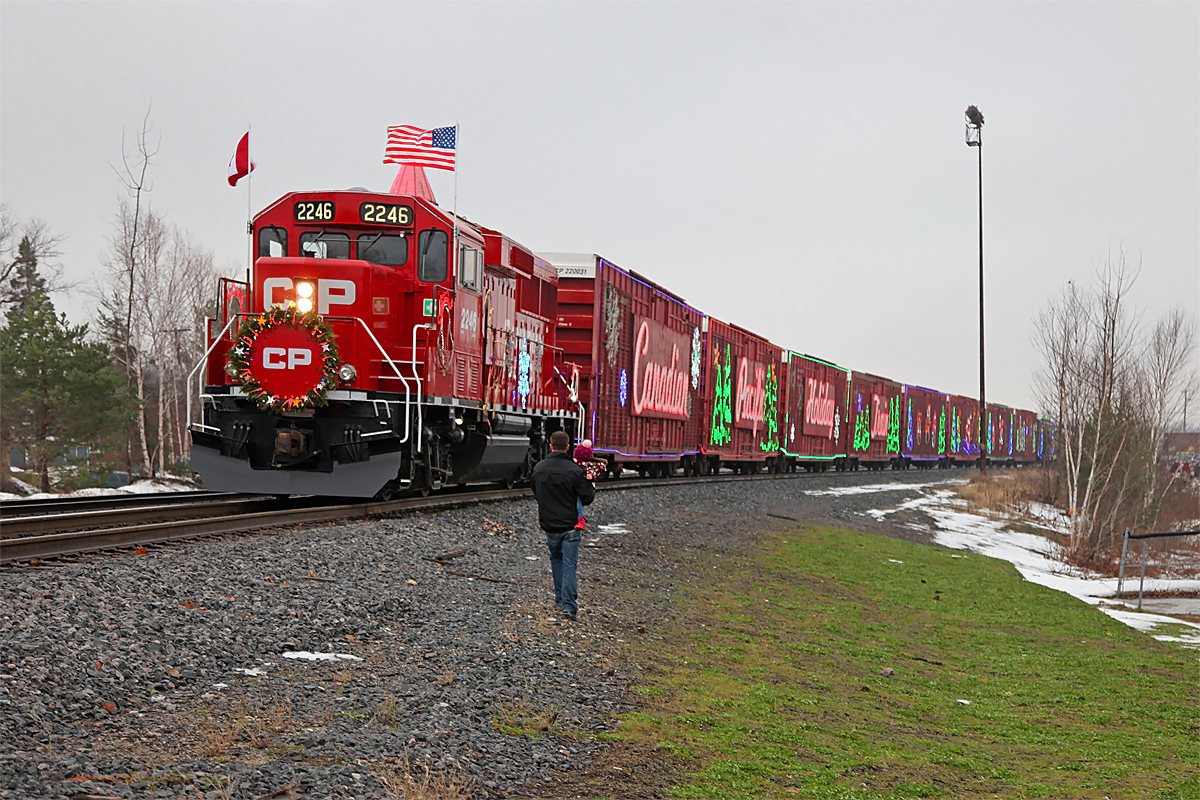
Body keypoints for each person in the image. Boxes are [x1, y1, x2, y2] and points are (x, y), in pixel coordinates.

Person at [531, 430, 595, 621]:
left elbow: (536, 492)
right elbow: (587, 498)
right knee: (569, 564)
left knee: (556, 560)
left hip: (550, 524)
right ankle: (569, 606)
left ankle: (559, 598)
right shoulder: (575, 471)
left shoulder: (538, 468)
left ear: (550, 446)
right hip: (571, 526)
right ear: (568, 447)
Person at [571, 439, 606, 531]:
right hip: (580, 486)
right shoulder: (581, 464)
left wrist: (591, 475)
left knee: (577, 500)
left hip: (583, 487)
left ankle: (581, 519)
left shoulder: (587, 465)